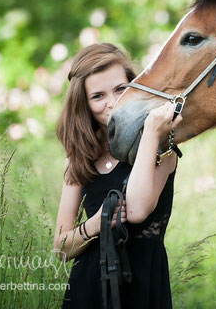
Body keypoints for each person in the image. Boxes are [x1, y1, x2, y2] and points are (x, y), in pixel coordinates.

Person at [54, 43, 181, 308]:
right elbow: (61, 247)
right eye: (98, 96)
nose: (112, 103)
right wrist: (94, 225)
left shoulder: (163, 144)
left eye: (120, 89)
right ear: (84, 104)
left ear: (133, 87)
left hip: (143, 285)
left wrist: (150, 132)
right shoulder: (79, 154)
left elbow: (136, 210)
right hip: (88, 287)